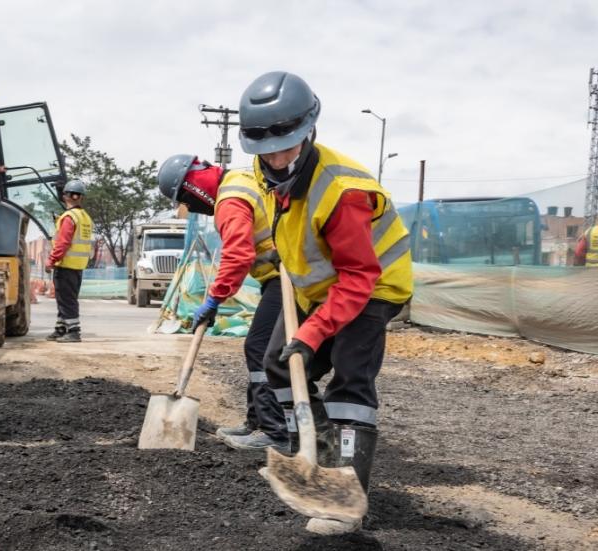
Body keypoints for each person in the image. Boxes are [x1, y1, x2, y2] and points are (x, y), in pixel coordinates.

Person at [242, 72, 413, 535]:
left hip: (373, 289)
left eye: (287, 146)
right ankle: (313, 458)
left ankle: (344, 502)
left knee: (349, 386)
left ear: (308, 132)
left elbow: (360, 275)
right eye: (266, 150)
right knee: (280, 364)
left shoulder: (343, 189)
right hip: (319, 290)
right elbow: (302, 233)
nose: (277, 159)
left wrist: (311, 334)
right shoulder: (265, 174)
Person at [157, 154, 290, 452]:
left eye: (186, 200)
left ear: (192, 187)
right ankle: (256, 422)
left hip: (289, 276)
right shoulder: (239, 181)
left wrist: (215, 299)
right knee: (260, 345)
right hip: (281, 274)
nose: (191, 208)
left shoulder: (229, 199)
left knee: (259, 347)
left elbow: (238, 253)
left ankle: (276, 431)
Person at [45, 179, 93, 343]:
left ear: (66, 196)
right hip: (78, 266)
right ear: (81, 197)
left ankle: (73, 331)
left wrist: (51, 260)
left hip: (65, 265)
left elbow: (63, 243)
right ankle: (61, 328)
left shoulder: (69, 217)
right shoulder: (85, 217)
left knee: (67, 300)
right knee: (64, 299)